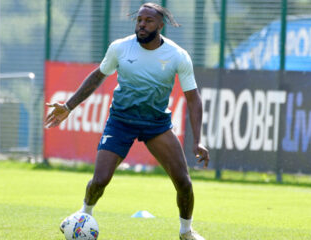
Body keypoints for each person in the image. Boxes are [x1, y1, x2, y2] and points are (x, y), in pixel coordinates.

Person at [44, 2, 209, 240]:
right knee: (100, 180)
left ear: (160, 26)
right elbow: (98, 76)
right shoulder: (120, 48)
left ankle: (186, 232)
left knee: (183, 182)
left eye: (148, 21)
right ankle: (82, 216)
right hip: (121, 121)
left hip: (156, 124)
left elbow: (193, 99)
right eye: (139, 20)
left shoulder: (177, 56)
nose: (142, 25)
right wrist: (69, 106)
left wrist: (198, 141)